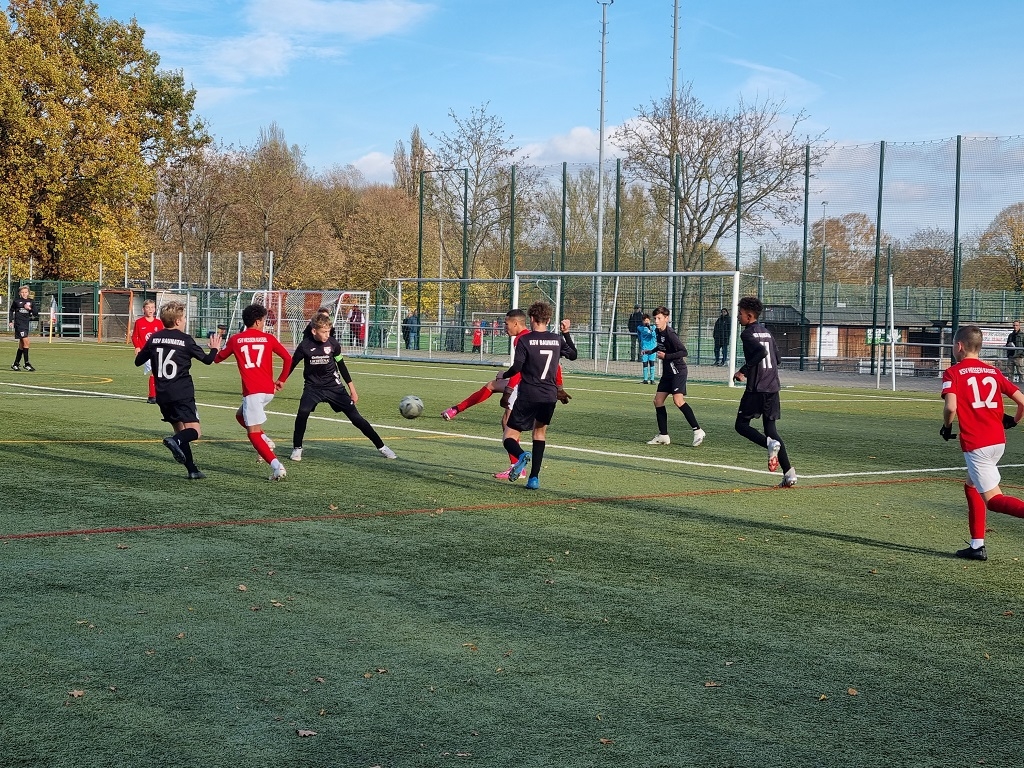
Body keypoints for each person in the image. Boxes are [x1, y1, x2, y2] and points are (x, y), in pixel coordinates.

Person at [941, 324, 1024, 561]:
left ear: (959, 346)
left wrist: (947, 427)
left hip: (977, 444)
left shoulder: (953, 372)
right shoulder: (993, 372)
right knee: (971, 486)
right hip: (997, 441)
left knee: (994, 501)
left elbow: (951, 407)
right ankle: (977, 545)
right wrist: (1013, 421)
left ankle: (977, 546)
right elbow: (1022, 402)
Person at [287, 314, 397, 463]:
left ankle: (382, 447)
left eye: (329, 331)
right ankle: (297, 448)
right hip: (313, 388)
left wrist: (353, 390)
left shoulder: (333, 344)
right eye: (324, 332)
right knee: (303, 412)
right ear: (314, 331)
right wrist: (280, 381)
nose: (327, 334)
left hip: (334, 387)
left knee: (356, 418)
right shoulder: (304, 346)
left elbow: (342, 366)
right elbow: (291, 364)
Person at [134, 301, 221, 480]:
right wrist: (214, 349)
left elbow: (138, 361)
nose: (185, 321)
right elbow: (207, 360)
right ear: (177, 321)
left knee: (180, 431)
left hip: (162, 394)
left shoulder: (154, 338)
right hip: (182, 393)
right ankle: (175, 442)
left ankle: (192, 469)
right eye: (184, 318)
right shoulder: (185, 340)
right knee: (194, 432)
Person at [496, 301, 578, 490]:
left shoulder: (525, 340)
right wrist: (566, 332)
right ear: (548, 320)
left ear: (531, 318)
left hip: (528, 394)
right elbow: (573, 355)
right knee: (539, 434)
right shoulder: (557, 340)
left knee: (508, 435)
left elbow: (517, 367)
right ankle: (534, 479)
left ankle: (521, 455)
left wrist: (504, 375)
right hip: (549, 395)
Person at [214, 303, 293, 481]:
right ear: (257, 322)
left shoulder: (236, 339)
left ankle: (277, 466)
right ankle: (266, 440)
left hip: (253, 393)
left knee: (253, 434)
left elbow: (217, 359)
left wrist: (215, 348)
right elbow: (288, 358)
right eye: (263, 320)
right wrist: (281, 380)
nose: (264, 323)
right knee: (240, 416)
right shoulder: (268, 338)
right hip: (268, 391)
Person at [733, 296, 796, 488]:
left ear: (749, 316)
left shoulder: (747, 334)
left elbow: (762, 353)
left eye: (740, 313)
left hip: (757, 388)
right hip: (773, 387)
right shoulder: (767, 332)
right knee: (771, 430)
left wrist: (743, 371)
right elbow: (778, 359)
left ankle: (769, 444)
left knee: (741, 425)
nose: (738, 316)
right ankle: (789, 474)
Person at [646, 306, 706, 448]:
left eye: (659, 318)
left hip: (678, 371)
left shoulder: (671, 334)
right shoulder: (657, 331)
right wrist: (651, 351)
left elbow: (683, 352)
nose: (656, 321)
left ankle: (698, 431)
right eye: (655, 318)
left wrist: (666, 356)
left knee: (678, 400)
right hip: (668, 372)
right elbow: (662, 346)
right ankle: (663, 435)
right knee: (658, 401)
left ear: (666, 319)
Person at [131, 299, 163, 403]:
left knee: (158, 372)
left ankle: (155, 395)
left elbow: (161, 337)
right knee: (155, 371)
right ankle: (152, 396)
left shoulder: (158, 323)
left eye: (152, 307)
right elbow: (134, 337)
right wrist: (137, 347)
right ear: (143, 309)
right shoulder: (139, 322)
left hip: (157, 351)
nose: (150, 309)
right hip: (145, 352)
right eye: (148, 307)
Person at [9, 284, 36, 371]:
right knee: (26, 342)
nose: (24, 294)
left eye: (26, 292)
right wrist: (10, 321)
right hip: (19, 324)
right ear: (20, 293)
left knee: (22, 345)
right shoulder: (17, 301)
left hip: (26, 324)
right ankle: (27, 363)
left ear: (28, 293)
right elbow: (11, 310)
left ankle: (15, 364)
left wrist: (29, 309)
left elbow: (36, 313)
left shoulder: (31, 301)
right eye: (22, 292)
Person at [637, 314, 657, 384]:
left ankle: (652, 379)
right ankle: (645, 379)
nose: (646, 322)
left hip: (652, 348)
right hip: (644, 348)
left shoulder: (653, 327)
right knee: (645, 363)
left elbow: (654, 335)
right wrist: (641, 342)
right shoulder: (640, 328)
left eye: (648, 320)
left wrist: (650, 329)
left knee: (652, 363)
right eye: (645, 320)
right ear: (642, 321)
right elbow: (639, 336)